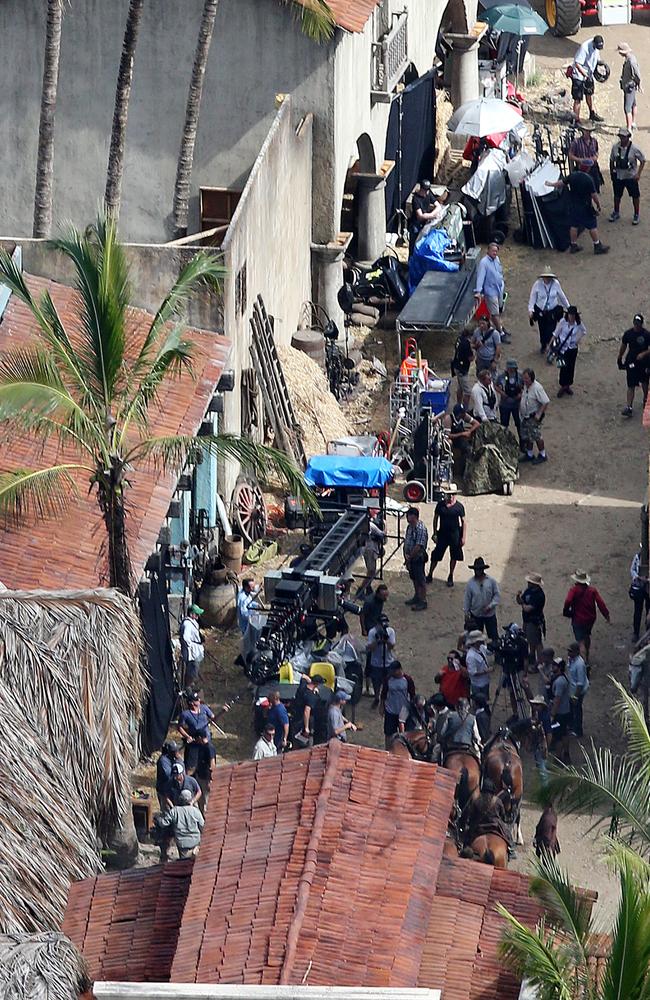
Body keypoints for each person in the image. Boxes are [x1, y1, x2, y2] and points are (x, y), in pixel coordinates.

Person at [545, 171, 608, 255]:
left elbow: (561, 183)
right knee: (592, 225)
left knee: (574, 225)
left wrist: (551, 184)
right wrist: (598, 204)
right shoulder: (588, 179)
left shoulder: (573, 175)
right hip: (585, 206)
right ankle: (597, 245)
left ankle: (573, 245)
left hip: (573, 205)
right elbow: (594, 195)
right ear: (588, 168)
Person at [563, 569, 611, 663]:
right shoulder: (592, 590)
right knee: (586, 636)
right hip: (590, 619)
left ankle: (584, 663)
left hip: (578, 619)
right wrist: (606, 614)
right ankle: (587, 656)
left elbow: (568, 601)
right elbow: (600, 603)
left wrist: (566, 611)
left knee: (580, 642)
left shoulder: (574, 590)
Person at [427, 485, 466, 587]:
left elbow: (464, 522)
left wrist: (463, 537)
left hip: (455, 535)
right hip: (443, 534)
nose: (451, 497)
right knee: (436, 555)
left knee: (454, 556)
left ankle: (450, 575)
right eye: (449, 495)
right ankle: (430, 573)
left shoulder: (459, 507)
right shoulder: (440, 505)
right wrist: (435, 533)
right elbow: (435, 519)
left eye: (452, 494)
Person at [528, 268, 570, 354]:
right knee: (542, 330)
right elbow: (532, 297)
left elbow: (562, 297)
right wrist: (531, 310)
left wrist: (568, 308)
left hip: (552, 312)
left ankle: (551, 346)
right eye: (545, 277)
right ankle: (543, 345)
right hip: (541, 311)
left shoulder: (556, 284)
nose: (547, 278)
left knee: (550, 330)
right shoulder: (537, 284)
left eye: (549, 277)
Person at [609, 126, 645, 225]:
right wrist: (612, 173)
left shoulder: (634, 149)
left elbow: (642, 160)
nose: (622, 138)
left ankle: (636, 214)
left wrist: (638, 174)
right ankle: (616, 212)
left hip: (630, 176)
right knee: (617, 195)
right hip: (619, 175)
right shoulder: (615, 147)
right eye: (620, 136)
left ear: (628, 137)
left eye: (624, 136)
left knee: (635, 196)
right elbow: (611, 160)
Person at [474, 242, 508, 341]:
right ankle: (500, 334)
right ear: (488, 251)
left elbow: (499, 271)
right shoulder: (484, 263)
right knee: (495, 313)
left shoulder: (496, 259)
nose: (494, 253)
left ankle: (500, 327)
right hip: (490, 292)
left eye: (496, 251)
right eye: (493, 251)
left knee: (499, 310)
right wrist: (478, 291)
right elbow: (480, 277)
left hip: (498, 289)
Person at [157, 788, 205, 859]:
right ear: (190, 799)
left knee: (184, 863)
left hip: (182, 843)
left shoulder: (174, 811)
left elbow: (163, 823)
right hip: (195, 841)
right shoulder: (195, 811)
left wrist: (158, 819)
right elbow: (203, 826)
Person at [618, 313, 650, 417]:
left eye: (638, 324)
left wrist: (643, 354)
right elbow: (623, 346)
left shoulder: (646, 334)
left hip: (644, 362)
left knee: (644, 381)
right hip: (632, 360)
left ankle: (646, 398)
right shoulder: (628, 334)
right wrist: (619, 357)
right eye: (635, 323)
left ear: (641, 324)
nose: (636, 326)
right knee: (631, 384)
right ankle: (629, 407)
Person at [552, 306, 587, 398]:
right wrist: (550, 344)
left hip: (572, 349)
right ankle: (563, 385)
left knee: (571, 367)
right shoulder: (563, 322)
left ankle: (567, 385)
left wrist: (577, 340)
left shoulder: (578, 323)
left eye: (573, 315)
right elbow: (556, 333)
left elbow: (584, 331)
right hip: (563, 349)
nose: (571, 317)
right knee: (563, 367)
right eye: (570, 315)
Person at [178, 692, 216, 776]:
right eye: (196, 700)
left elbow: (214, 718)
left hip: (205, 740)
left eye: (198, 699)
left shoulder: (204, 708)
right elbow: (180, 727)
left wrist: (223, 711)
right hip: (194, 742)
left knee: (210, 754)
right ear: (191, 703)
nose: (199, 700)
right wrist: (187, 736)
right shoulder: (185, 714)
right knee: (191, 765)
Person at [380, 660, 416, 747]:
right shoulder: (388, 679)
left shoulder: (407, 680)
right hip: (390, 710)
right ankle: (388, 749)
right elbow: (384, 694)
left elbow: (412, 695)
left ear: (399, 670)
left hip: (404, 712)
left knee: (405, 734)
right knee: (389, 733)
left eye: (393, 671)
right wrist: (381, 706)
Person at [360, 584, 389, 694]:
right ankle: (367, 684)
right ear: (378, 594)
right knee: (370, 655)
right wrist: (363, 629)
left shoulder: (380, 600)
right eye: (383, 596)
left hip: (376, 625)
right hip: (370, 627)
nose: (385, 599)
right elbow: (362, 615)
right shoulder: (369, 602)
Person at [570, 34, 605, 123]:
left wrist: (601, 66)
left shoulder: (596, 47)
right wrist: (585, 75)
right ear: (593, 42)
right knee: (578, 98)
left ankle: (592, 113)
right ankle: (576, 119)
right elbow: (577, 63)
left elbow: (597, 59)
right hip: (579, 76)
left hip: (588, 75)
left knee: (589, 94)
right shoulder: (584, 48)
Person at [464, 557, 500, 640]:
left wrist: (490, 606)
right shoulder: (470, 583)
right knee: (475, 638)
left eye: (479, 569)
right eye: (476, 569)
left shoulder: (491, 581)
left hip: (489, 614)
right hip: (476, 614)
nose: (477, 571)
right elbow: (467, 599)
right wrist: (466, 613)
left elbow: (497, 595)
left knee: (494, 636)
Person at [519, 368, 549, 465]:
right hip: (525, 416)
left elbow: (545, 401)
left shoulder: (537, 388)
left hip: (533, 417)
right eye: (524, 378)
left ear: (532, 378)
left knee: (537, 436)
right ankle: (529, 454)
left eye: (526, 378)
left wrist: (539, 414)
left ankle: (543, 454)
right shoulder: (525, 386)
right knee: (528, 436)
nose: (524, 380)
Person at [516, 572, 546, 666]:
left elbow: (527, 608)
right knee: (530, 641)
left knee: (537, 643)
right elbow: (521, 601)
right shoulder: (529, 591)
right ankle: (532, 659)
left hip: (534, 622)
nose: (528, 583)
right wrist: (518, 597)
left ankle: (539, 663)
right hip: (527, 620)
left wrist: (522, 604)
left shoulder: (539, 595)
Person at [443, 404, 479, 478]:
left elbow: (477, 423)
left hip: (461, 439)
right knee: (449, 443)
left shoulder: (464, 416)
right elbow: (447, 435)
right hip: (453, 438)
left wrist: (469, 431)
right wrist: (461, 434)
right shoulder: (448, 419)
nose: (463, 414)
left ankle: (466, 470)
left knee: (468, 449)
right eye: (462, 413)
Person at [367, 614, 396, 706]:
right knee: (376, 682)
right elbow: (370, 648)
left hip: (388, 661)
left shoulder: (390, 631)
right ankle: (376, 698)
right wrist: (378, 641)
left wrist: (386, 640)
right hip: (376, 662)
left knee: (389, 682)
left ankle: (387, 699)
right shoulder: (372, 632)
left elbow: (391, 647)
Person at [403, 506, 428, 611]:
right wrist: (405, 555)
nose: (407, 517)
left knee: (420, 579)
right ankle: (416, 596)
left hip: (417, 557)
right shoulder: (410, 527)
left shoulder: (420, 528)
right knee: (414, 578)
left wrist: (410, 557)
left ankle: (423, 600)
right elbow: (406, 541)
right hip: (410, 557)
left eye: (409, 515)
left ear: (414, 516)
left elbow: (418, 546)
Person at [356, 510, 385, 597]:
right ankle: (361, 589)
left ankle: (368, 588)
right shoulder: (370, 525)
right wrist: (385, 524)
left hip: (368, 549)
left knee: (372, 571)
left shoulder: (367, 524)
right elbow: (382, 534)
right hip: (370, 549)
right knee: (371, 571)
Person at [568, 122, 602, 192]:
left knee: (594, 189)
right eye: (586, 130)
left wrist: (595, 157)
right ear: (582, 131)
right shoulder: (576, 142)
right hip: (581, 169)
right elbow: (570, 155)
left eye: (589, 131)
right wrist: (580, 160)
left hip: (593, 168)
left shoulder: (594, 141)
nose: (587, 133)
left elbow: (596, 152)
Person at [292, 673, 325, 747]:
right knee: (303, 743)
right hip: (302, 722)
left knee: (295, 739)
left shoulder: (302, 686)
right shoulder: (311, 697)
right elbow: (307, 711)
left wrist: (312, 684)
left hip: (295, 716)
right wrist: (306, 727)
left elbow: (303, 676)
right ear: (317, 684)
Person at [549, 658, 572, 764]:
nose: (552, 667)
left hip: (560, 713)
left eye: (554, 666)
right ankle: (566, 753)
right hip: (566, 711)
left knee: (558, 735)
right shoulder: (563, 678)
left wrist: (552, 714)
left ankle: (558, 758)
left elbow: (557, 700)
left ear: (559, 668)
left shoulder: (559, 682)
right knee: (565, 733)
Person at [409, 178, 440, 253]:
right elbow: (420, 216)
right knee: (413, 245)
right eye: (425, 191)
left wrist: (431, 214)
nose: (427, 193)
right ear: (421, 189)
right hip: (416, 224)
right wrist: (432, 216)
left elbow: (438, 206)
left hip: (425, 223)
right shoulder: (416, 199)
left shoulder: (428, 193)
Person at [567, 641, 589, 738]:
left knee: (577, 710)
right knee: (571, 709)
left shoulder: (580, 664)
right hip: (572, 689)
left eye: (571, 651)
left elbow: (580, 683)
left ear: (576, 652)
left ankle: (578, 731)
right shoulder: (571, 660)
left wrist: (576, 696)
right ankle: (572, 726)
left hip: (578, 691)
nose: (569, 653)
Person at [496, 358, 523, 436]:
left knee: (519, 425)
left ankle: (522, 444)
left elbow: (527, 386)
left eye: (512, 368)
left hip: (517, 405)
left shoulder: (520, 376)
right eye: (509, 368)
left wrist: (521, 394)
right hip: (505, 404)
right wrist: (501, 393)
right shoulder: (501, 376)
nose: (510, 369)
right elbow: (495, 385)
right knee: (504, 425)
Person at [618, 42, 642, 131]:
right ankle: (633, 122)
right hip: (630, 85)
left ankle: (629, 129)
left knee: (627, 108)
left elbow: (637, 74)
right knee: (633, 104)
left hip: (629, 86)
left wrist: (639, 84)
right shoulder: (630, 58)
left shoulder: (631, 62)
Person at [178, 604, 205, 686]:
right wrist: (191, 647)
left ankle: (190, 685)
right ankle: (188, 688)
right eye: (196, 614)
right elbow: (185, 637)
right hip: (192, 653)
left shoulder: (193, 622)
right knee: (192, 670)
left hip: (196, 650)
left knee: (194, 670)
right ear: (191, 614)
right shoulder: (187, 624)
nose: (198, 615)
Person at [465, 629, 493, 699]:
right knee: (479, 701)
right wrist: (486, 671)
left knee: (485, 699)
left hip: (485, 681)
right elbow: (473, 672)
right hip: (478, 684)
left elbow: (489, 652)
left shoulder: (481, 647)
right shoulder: (471, 656)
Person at [630, 545, 650, 641]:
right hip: (639, 588)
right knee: (637, 611)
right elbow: (632, 569)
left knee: (648, 610)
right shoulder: (638, 557)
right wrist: (637, 577)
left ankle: (648, 631)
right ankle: (636, 632)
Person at [155, 740, 182, 810]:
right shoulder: (163, 760)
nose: (176, 752)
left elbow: (182, 770)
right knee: (167, 813)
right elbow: (168, 775)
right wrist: (177, 761)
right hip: (165, 792)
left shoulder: (173, 759)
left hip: (173, 791)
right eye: (174, 751)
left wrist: (178, 759)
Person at [451, 326, 474, 405]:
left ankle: (458, 404)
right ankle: (464, 409)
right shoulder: (466, 343)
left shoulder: (459, 339)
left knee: (460, 387)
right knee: (467, 392)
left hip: (456, 365)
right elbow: (471, 358)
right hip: (462, 369)